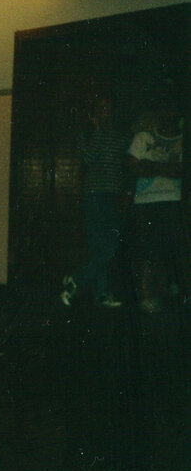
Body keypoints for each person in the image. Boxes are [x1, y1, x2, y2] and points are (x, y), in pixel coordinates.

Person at [60, 95, 130, 309]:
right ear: (94, 113)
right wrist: (97, 130)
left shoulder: (121, 134)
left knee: (107, 245)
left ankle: (82, 283)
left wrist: (125, 191)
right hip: (95, 193)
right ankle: (94, 289)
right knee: (102, 245)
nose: (105, 111)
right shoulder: (87, 135)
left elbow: (123, 164)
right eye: (101, 108)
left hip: (113, 193)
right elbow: (88, 158)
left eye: (108, 108)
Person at [126, 91, 184, 313]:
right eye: (163, 109)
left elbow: (182, 172)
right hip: (145, 202)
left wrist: (150, 166)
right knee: (146, 250)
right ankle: (146, 295)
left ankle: (163, 291)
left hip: (174, 201)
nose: (167, 114)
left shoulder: (183, 139)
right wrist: (167, 169)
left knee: (169, 250)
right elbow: (132, 166)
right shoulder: (143, 138)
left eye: (172, 109)